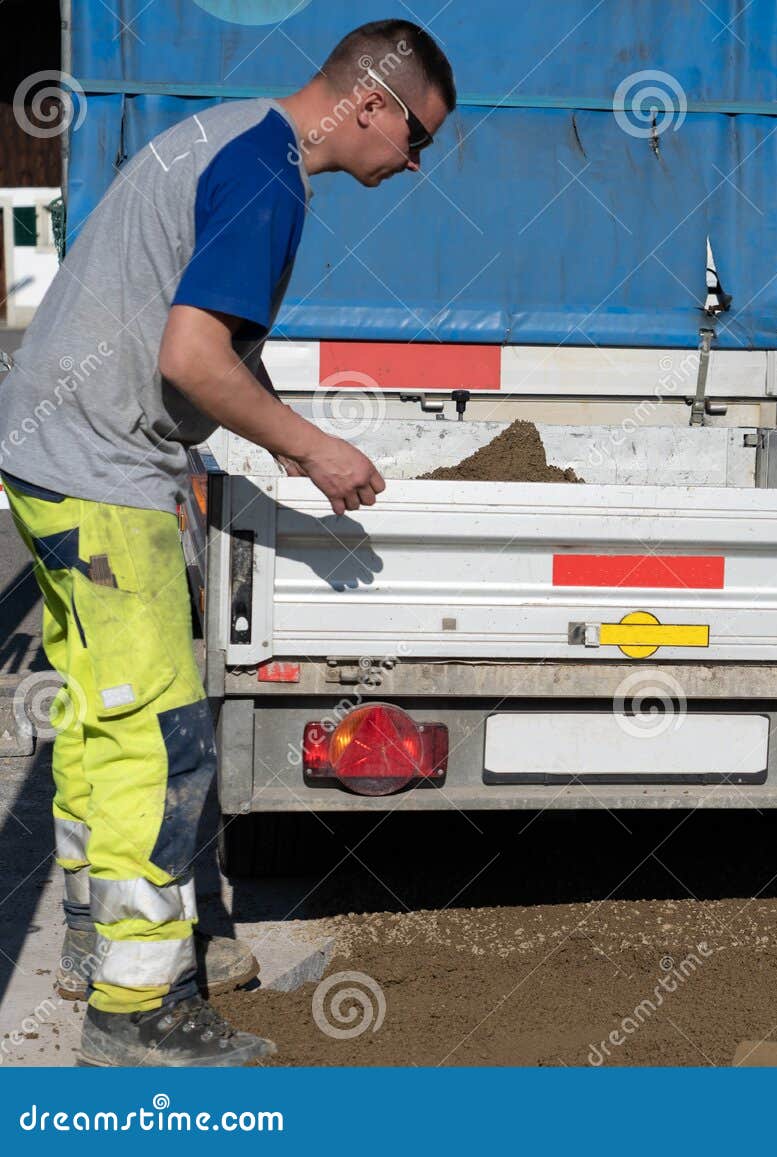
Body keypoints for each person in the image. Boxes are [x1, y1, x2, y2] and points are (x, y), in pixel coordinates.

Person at [0, 18, 455, 1066]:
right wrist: (316, 449)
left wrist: (248, 443)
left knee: (100, 713)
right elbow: (194, 355)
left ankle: (94, 935)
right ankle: (138, 1010)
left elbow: (184, 348)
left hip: (56, 457)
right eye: (417, 138)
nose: (416, 164)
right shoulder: (268, 177)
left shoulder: (231, 136)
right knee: (160, 741)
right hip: (99, 473)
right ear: (372, 104)